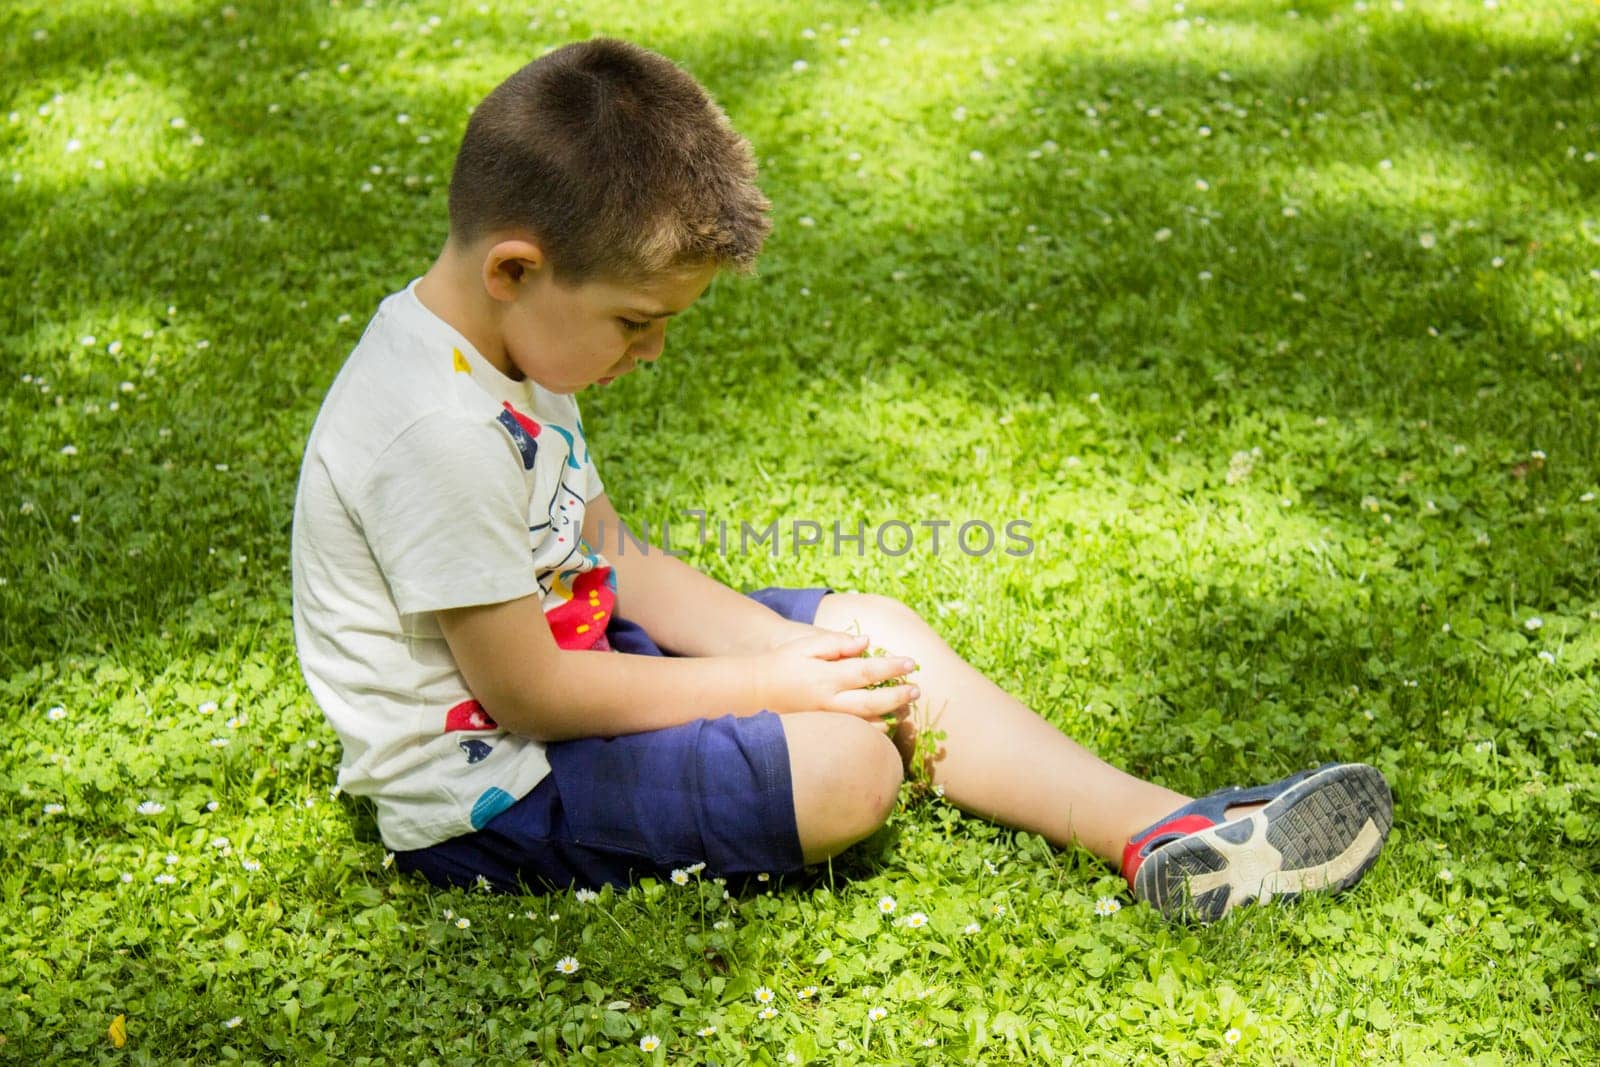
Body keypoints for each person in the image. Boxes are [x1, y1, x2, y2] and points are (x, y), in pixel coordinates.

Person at [290, 38, 1393, 922]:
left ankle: (1167, 832)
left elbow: (612, 561)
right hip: (495, 787)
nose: (653, 351)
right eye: (638, 323)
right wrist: (772, 687)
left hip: (577, 675)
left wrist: (789, 652)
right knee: (846, 766)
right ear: (516, 269)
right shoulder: (430, 428)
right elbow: (529, 693)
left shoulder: (518, 346)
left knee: (874, 634)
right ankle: (1152, 832)